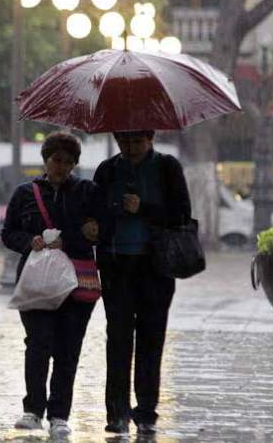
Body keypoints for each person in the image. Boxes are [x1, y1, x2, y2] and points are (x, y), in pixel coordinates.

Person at [83, 129, 191, 436]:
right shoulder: (108, 170)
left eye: (137, 142)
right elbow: (95, 210)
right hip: (116, 265)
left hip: (155, 268)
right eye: (124, 142)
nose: (130, 148)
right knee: (117, 340)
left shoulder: (167, 167)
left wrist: (142, 207)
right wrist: (95, 223)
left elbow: (181, 214)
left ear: (150, 138)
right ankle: (117, 413)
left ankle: (146, 414)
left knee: (151, 339)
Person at [1, 132, 101, 438]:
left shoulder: (86, 192)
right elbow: (8, 232)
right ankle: (33, 410)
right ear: (46, 160)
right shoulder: (24, 193)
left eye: (69, 162)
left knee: (68, 349)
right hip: (35, 283)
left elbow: (97, 230)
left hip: (75, 283)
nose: (62, 167)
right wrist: (28, 241)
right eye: (57, 160)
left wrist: (71, 238)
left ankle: (60, 414)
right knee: (38, 343)